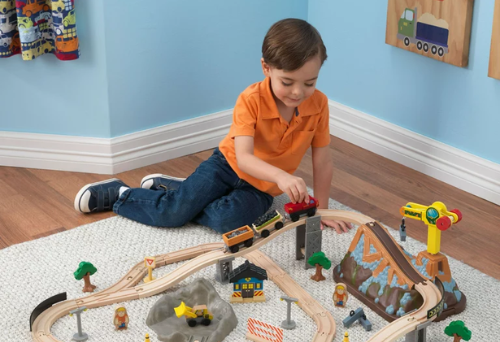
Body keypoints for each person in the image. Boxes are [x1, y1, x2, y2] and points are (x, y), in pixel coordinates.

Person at [73, 18, 351, 235]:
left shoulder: (319, 105)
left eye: (310, 83)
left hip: (262, 189)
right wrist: (281, 176)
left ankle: (179, 192)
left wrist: (322, 210)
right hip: (226, 166)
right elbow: (244, 158)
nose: (298, 92)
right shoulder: (251, 99)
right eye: (287, 82)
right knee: (173, 214)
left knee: (228, 221)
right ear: (266, 68)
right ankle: (122, 195)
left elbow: (322, 160)